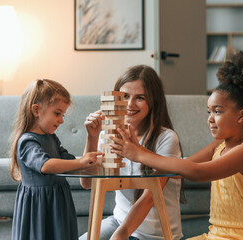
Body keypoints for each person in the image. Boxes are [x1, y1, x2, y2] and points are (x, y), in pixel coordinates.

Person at [112, 52, 243, 239]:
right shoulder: (218, 147)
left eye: (217, 111)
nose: (210, 119)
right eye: (209, 112)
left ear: (241, 116)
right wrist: (139, 150)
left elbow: (198, 172)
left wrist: (140, 154)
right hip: (217, 235)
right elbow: (180, 168)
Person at [79, 65, 184, 240]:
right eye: (125, 96)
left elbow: (150, 196)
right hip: (119, 221)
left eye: (140, 98)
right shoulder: (108, 134)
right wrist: (92, 137)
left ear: (153, 102)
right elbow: (87, 183)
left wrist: (121, 234)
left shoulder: (166, 138)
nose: (129, 104)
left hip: (154, 234)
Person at [9, 79, 104, 240]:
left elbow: (68, 162)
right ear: (36, 110)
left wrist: (91, 159)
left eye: (63, 114)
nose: (61, 120)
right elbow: (45, 165)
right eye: (57, 113)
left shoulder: (51, 138)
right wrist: (81, 162)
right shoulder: (27, 141)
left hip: (58, 201)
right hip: (38, 206)